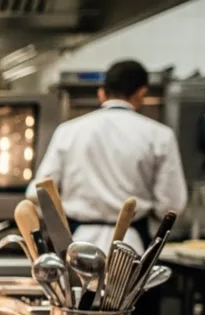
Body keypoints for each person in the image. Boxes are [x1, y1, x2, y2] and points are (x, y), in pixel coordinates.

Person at [28, 59, 188, 253]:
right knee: (127, 285)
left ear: (101, 93)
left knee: (77, 285)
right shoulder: (160, 135)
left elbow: (39, 192)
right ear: (142, 93)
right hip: (131, 245)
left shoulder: (68, 131)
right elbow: (171, 205)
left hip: (76, 242)